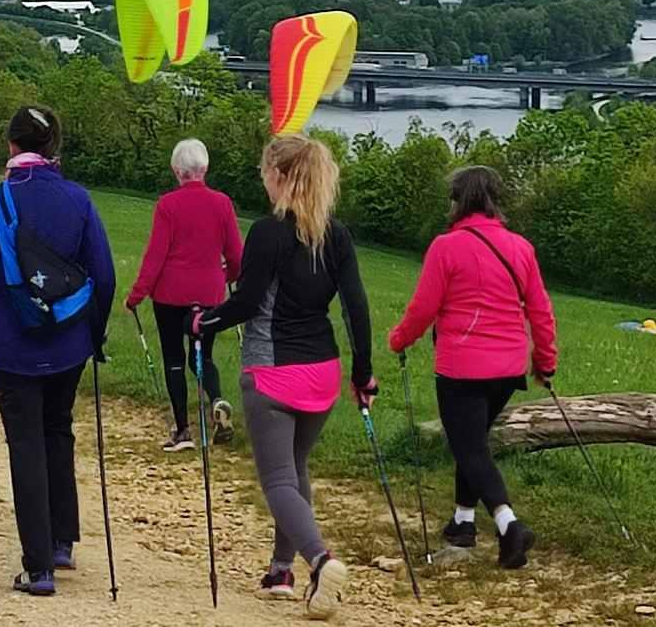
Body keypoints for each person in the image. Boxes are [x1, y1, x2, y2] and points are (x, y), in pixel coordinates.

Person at [192, 135, 374, 619]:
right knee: (295, 470)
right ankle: (280, 571)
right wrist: (364, 373)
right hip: (323, 372)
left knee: (276, 478)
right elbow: (356, 307)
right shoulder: (335, 235)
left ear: (280, 175)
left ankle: (320, 560)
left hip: (273, 369)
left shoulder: (268, 232)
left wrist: (203, 320)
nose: (262, 178)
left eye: (264, 171)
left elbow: (248, 303)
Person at [0, 106, 116, 597]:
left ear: (11, 146)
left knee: (25, 444)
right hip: (69, 342)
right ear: (53, 148)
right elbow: (104, 276)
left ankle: (38, 565)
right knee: (58, 431)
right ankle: (63, 539)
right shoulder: (78, 199)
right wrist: (95, 332)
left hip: (13, 344)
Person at [389, 165, 557, 570]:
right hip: (508, 365)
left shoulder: (446, 247)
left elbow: (423, 308)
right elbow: (540, 310)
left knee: (469, 447)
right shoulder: (521, 247)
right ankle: (463, 523)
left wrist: (399, 339)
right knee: (473, 441)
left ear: (457, 202)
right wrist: (545, 362)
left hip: (462, 365)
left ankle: (508, 524)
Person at [125, 138, 242, 451]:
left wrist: (137, 294)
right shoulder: (222, 203)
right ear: (205, 169)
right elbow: (236, 254)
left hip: (170, 296)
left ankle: (182, 431)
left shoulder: (168, 205)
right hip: (209, 295)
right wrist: (229, 276)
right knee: (203, 356)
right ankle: (217, 400)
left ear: (177, 171)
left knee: (174, 359)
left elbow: (156, 256)